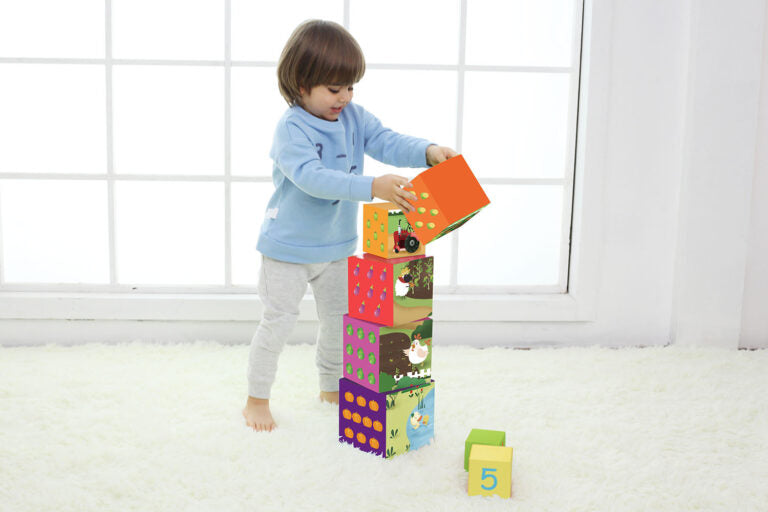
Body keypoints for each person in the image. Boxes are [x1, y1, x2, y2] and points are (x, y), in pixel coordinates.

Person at [243, 19, 457, 431]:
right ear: (302, 84)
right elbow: (313, 178)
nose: (345, 97)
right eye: (334, 89)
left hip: (336, 247)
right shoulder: (291, 129)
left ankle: (330, 387)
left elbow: (387, 140)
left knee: (339, 324)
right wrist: (372, 185)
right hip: (286, 251)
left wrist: (427, 151)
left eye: (350, 87)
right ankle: (257, 398)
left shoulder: (354, 117)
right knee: (278, 324)